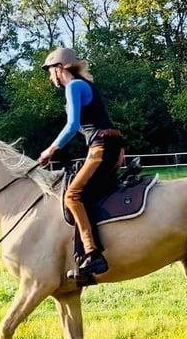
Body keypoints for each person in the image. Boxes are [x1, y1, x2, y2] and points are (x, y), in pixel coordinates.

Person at [37, 47, 125, 277]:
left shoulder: (74, 86)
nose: (50, 77)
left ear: (59, 68)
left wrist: (50, 150)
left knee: (72, 195)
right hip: (110, 145)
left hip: (101, 148)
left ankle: (93, 254)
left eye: (50, 71)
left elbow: (72, 125)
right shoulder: (86, 86)